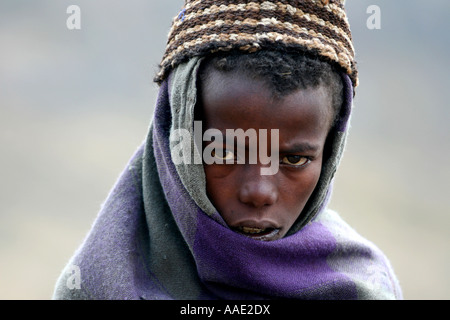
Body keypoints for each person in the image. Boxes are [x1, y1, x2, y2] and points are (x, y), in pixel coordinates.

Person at [53, 0, 402, 300]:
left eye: (294, 159)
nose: (259, 192)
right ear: (175, 140)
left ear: (330, 153)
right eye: (224, 153)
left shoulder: (362, 287)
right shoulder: (98, 286)